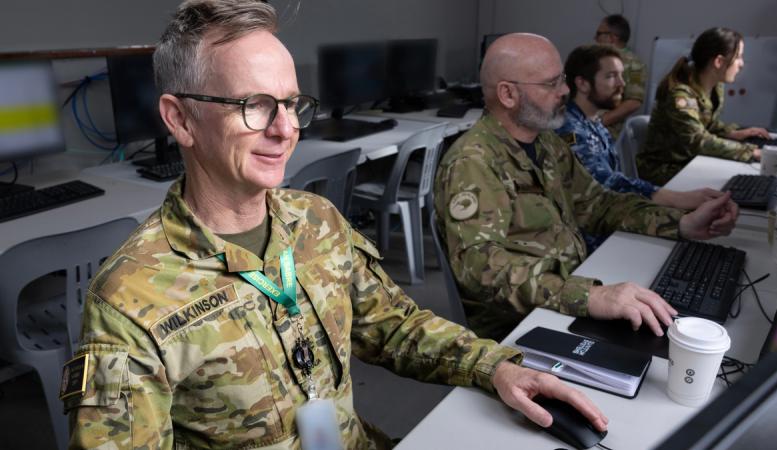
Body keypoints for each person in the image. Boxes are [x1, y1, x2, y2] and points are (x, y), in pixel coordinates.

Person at [60, 1, 609, 448]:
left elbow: (396, 327)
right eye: (253, 105)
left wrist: (497, 368)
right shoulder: (129, 302)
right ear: (179, 118)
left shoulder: (315, 221)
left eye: (291, 104)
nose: (284, 130)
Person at [433, 33, 739, 342]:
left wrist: (682, 224)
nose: (565, 91)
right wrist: (589, 296)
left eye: (562, 80)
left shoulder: (546, 143)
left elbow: (597, 204)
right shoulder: (473, 163)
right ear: (508, 95)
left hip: (569, 291)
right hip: (520, 326)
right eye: (551, 84)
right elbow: (481, 271)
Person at [556, 44, 723, 251]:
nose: (622, 84)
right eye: (611, 76)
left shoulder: (593, 121)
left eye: (621, 75)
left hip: (611, 223)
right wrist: (675, 198)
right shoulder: (569, 128)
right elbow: (604, 184)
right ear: (582, 83)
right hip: (590, 242)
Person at [637, 27, 777, 185]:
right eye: (738, 57)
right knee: (730, 183)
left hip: (689, 161)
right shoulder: (681, 96)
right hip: (663, 170)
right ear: (719, 61)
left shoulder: (714, 87)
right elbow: (698, 141)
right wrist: (754, 152)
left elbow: (707, 125)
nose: (741, 64)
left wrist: (734, 133)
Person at [594, 14, 646, 138]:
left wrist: (602, 121)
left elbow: (634, 101)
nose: (595, 38)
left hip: (603, 130)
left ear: (612, 37)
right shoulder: (595, 58)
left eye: (599, 34)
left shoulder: (634, 64)